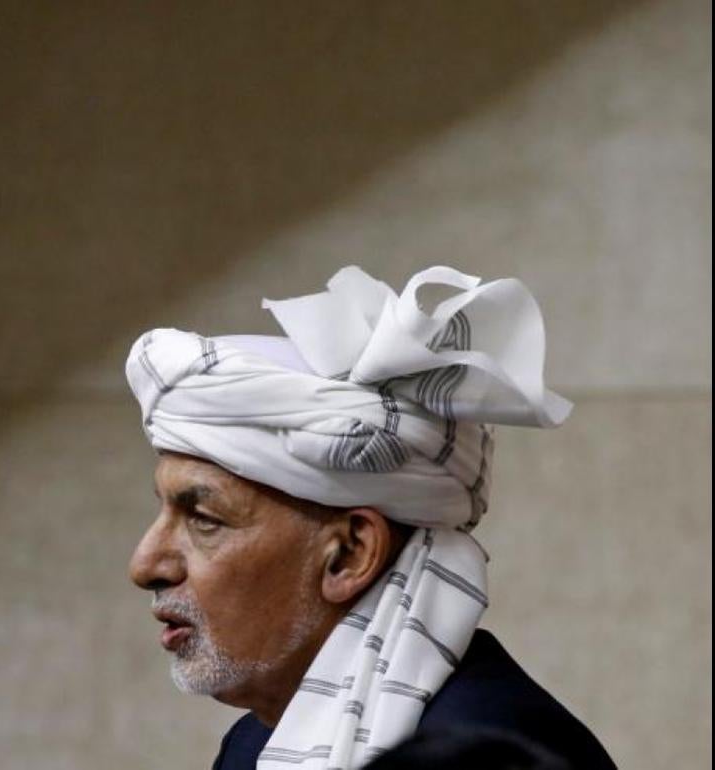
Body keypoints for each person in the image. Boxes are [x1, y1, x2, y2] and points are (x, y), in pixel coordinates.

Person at [124, 266, 616, 769]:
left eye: (203, 518)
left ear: (350, 554)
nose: (145, 565)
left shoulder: (497, 753)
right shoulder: (250, 747)